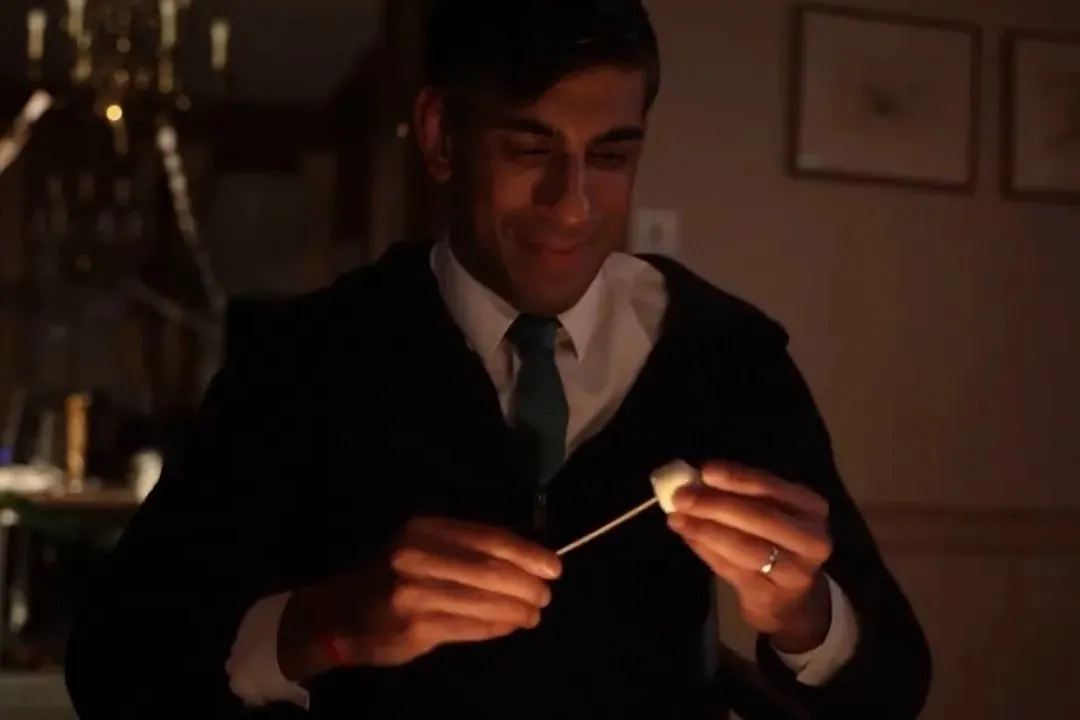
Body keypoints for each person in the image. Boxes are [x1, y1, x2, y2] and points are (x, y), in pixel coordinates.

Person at [64, 1, 931, 718]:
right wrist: (328, 628)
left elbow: (894, 687)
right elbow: (111, 666)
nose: (573, 205)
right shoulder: (305, 358)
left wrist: (802, 613)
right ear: (441, 136)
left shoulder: (730, 357)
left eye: (611, 156)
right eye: (530, 150)